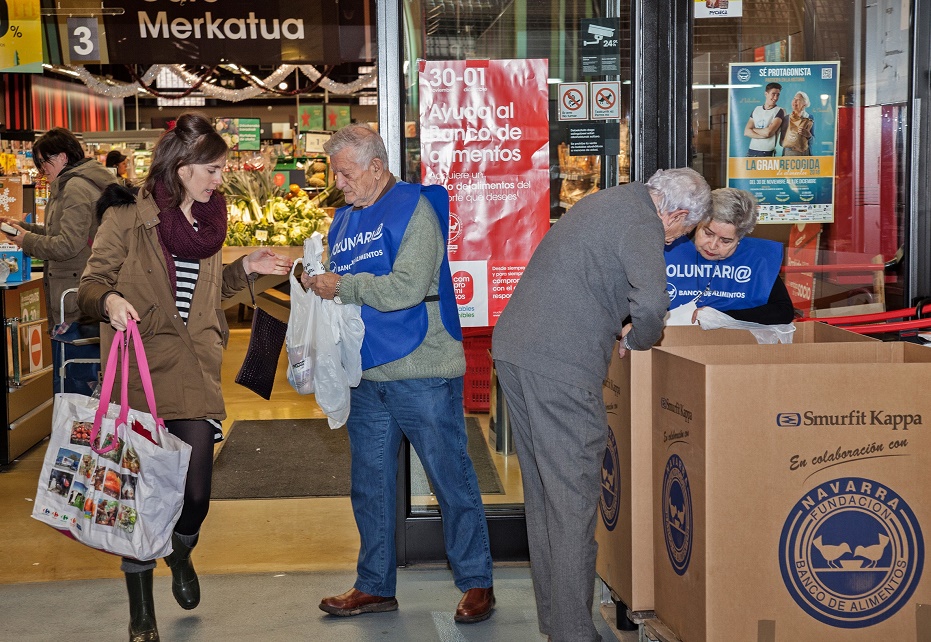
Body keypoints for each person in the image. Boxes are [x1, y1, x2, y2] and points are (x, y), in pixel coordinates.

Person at [78, 112, 293, 642]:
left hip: (194, 369)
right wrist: (109, 300)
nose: (221, 180)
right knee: (139, 493)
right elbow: (90, 284)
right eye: (213, 170)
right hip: (138, 370)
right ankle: (141, 613)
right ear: (182, 168)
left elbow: (208, 294)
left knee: (196, 491)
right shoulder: (126, 216)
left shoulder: (209, 223)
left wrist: (250, 269)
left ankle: (182, 546)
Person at [491, 167, 711, 642]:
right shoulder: (642, 223)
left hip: (516, 351)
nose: (675, 241)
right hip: (559, 366)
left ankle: (556, 620)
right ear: (674, 212)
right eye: (683, 231)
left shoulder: (610, 200)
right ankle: (572, 633)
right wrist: (643, 335)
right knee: (571, 501)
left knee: (547, 496)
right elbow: (653, 303)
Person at [301, 124, 495, 624]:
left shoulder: (417, 209)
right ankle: (374, 586)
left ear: (376, 167)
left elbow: (408, 287)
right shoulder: (345, 217)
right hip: (367, 372)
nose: (338, 184)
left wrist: (341, 286)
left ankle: (477, 582)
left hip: (422, 368)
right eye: (335, 174)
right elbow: (345, 285)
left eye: (345, 174)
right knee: (370, 485)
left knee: (450, 477)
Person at [1, 127, 119, 395]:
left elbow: (67, 245)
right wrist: (23, 229)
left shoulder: (75, 187)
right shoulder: (73, 183)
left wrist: (26, 241)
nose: (42, 169)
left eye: (45, 161)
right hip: (80, 298)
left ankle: (78, 436)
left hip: (75, 301)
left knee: (76, 385)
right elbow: (62, 234)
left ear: (63, 157)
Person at [665, 187, 795, 324]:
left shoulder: (756, 259)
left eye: (725, 241)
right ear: (698, 223)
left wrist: (724, 316)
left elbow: (784, 311)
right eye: (708, 233)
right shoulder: (670, 245)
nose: (713, 245)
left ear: (740, 238)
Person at [744, 82, 786, 157]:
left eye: (778, 95)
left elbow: (768, 133)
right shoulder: (756, 109)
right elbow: (746, 132)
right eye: (773, 94)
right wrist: (763, 135)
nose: (775, 98)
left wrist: (753, 129)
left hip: (766, 152)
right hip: (751, 150)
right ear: (766, 94)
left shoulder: (780, 111)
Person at [780, 91, 815, 157]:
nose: (794, 101)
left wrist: (808, 135)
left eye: (798, 100)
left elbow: (812, 141)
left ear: (804, 104)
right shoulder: (787, 118)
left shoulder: (809, 118)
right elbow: (781, 142)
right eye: (794, 99)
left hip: (804, 154)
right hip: (789, 154)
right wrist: (793, 144)